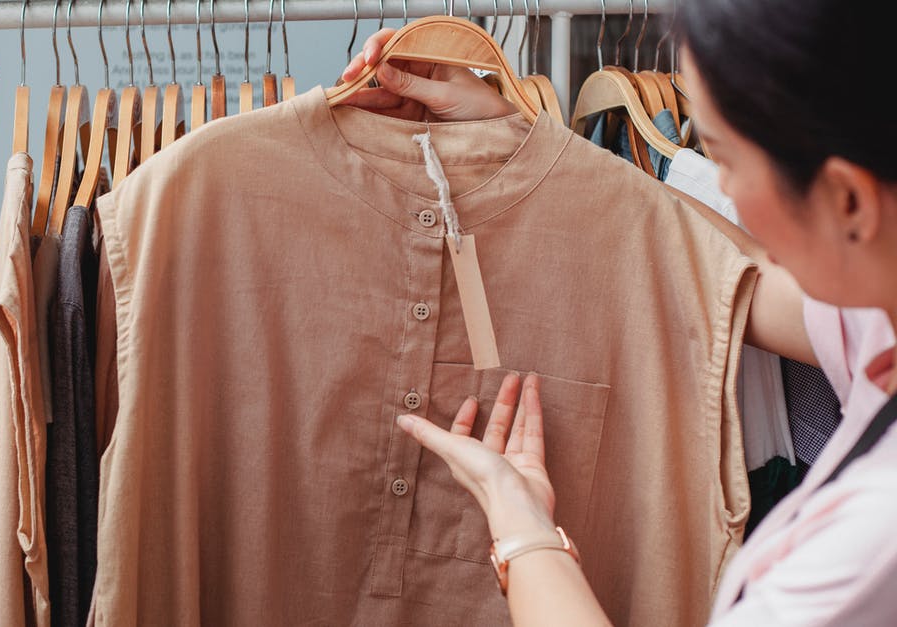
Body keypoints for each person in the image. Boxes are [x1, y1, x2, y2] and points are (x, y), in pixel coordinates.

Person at [341, 0, 897, 624]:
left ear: (848, 200)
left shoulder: (869, 545)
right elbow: (742, 269)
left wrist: (517, 517)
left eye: (728, 162)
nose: (721, 187)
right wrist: (515, 136)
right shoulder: (880, 317)